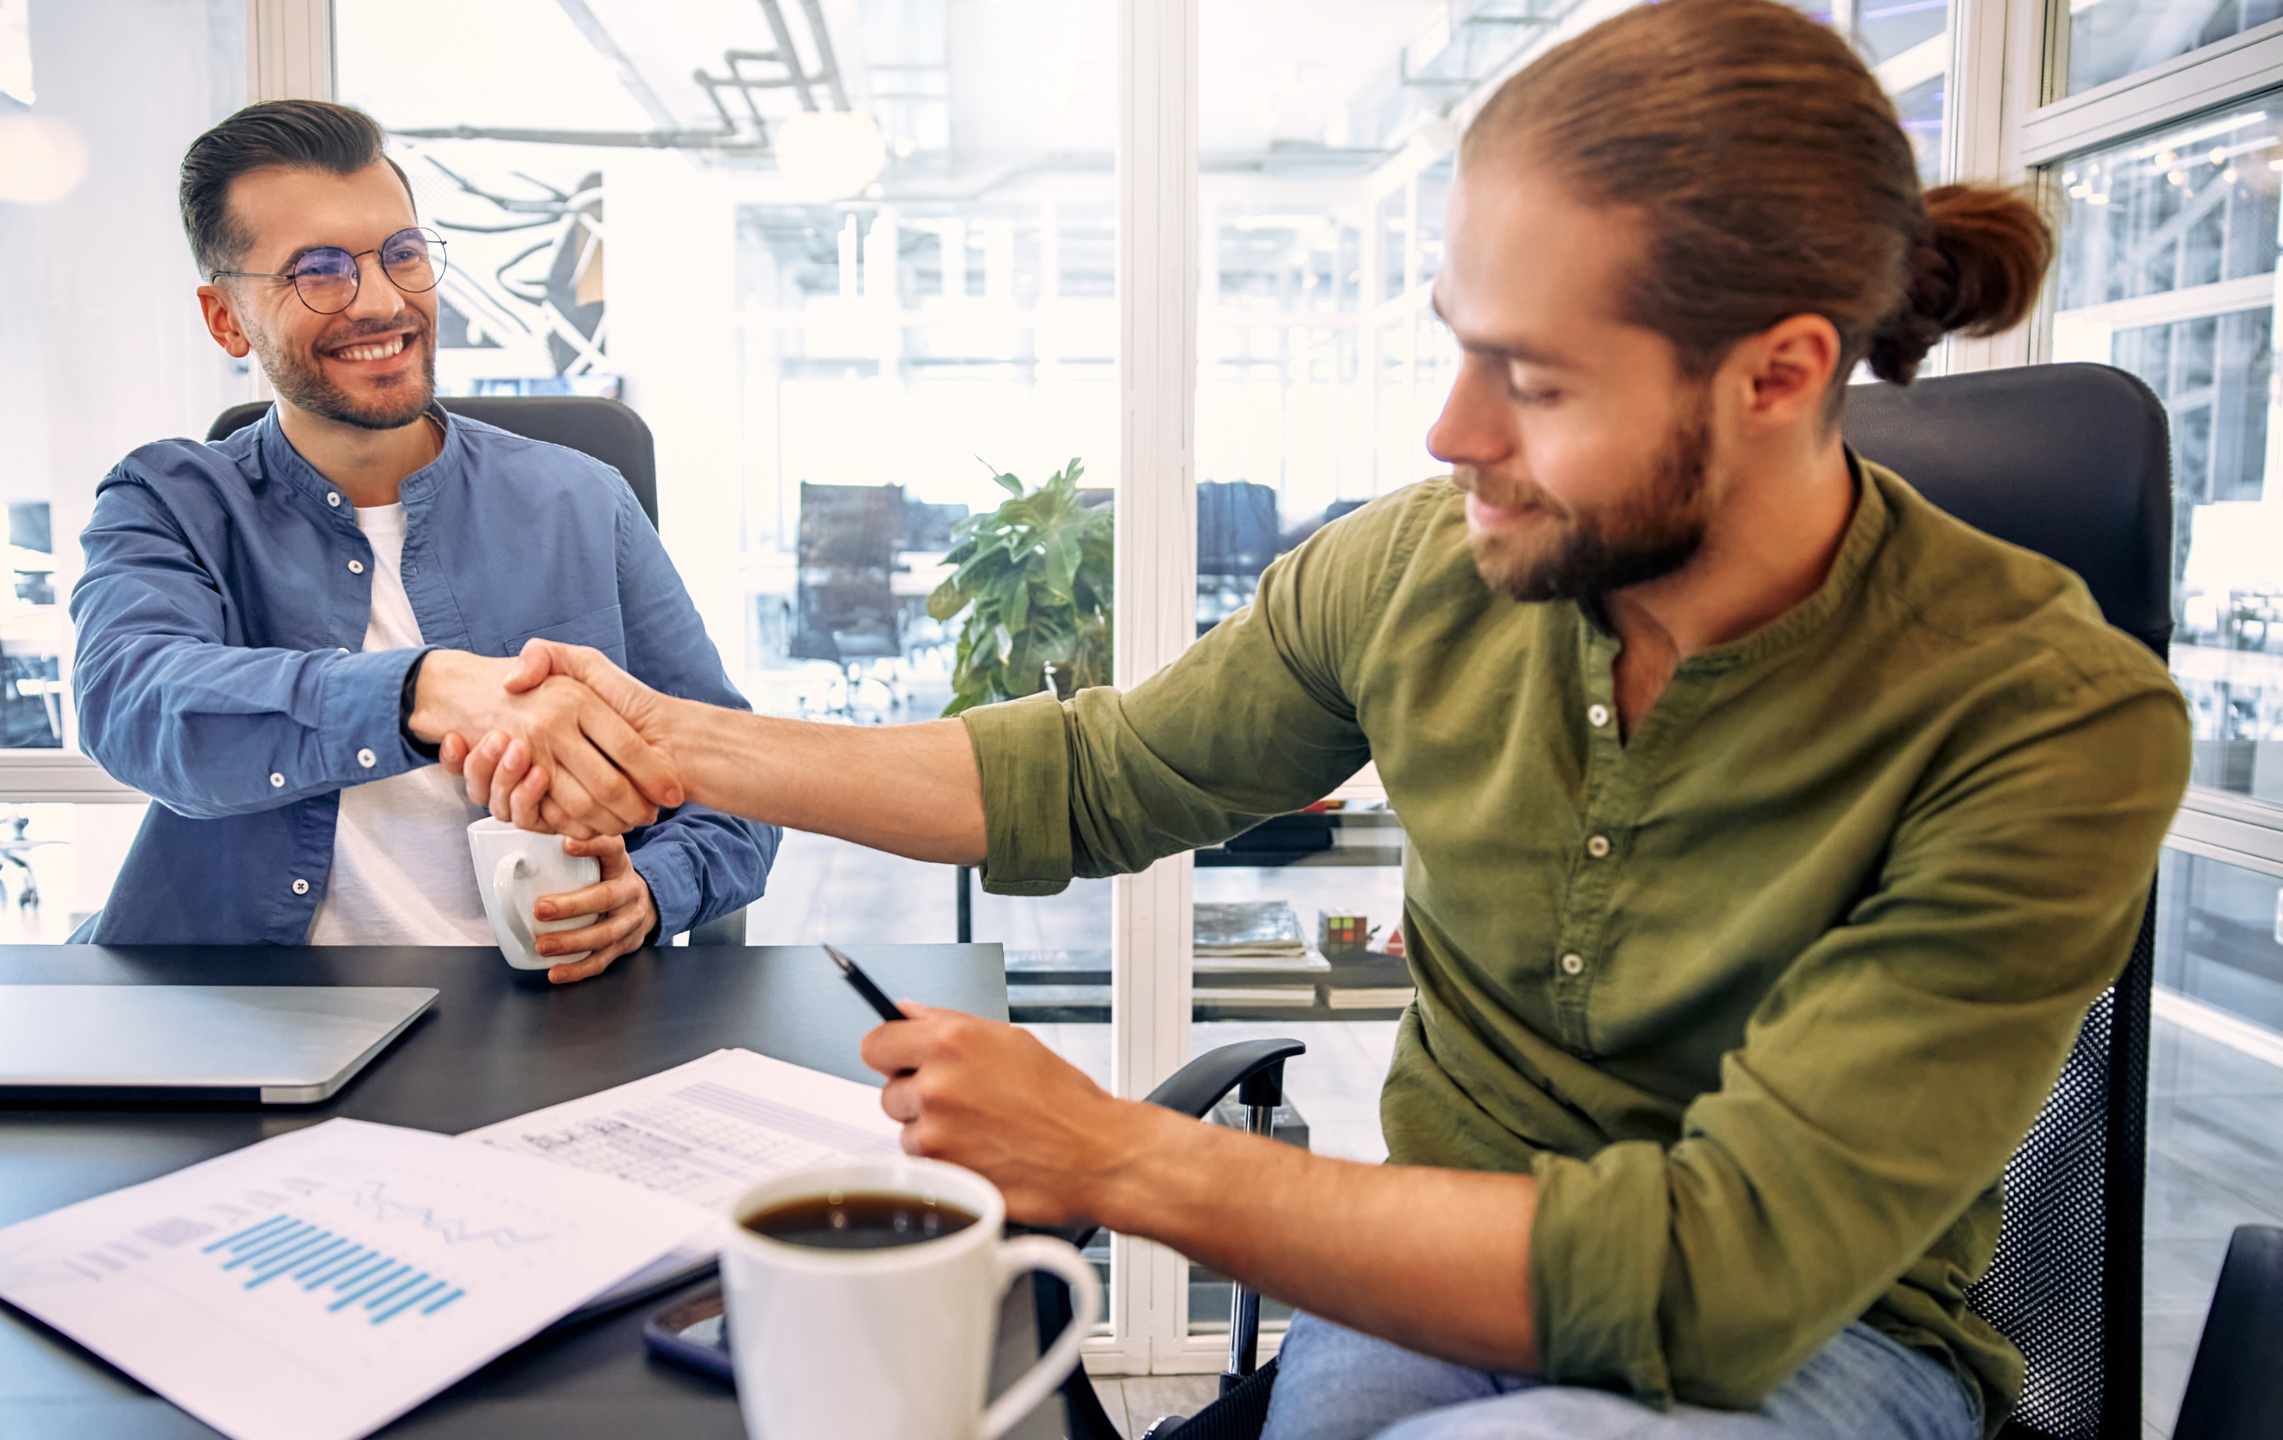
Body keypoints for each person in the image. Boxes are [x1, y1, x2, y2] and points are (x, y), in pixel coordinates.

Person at [439, 2, 2190, 1435]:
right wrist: (684, 742)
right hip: (1422, 1289)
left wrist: (1122, 1157)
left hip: (1817, 1346)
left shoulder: (2045, 720)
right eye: (1458, 344)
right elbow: (1106, 773)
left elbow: (1715, 1281)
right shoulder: (1424, 569)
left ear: (1781, 375)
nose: (1450, 431)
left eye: (1536, 377)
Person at [69, 100, 776, 971]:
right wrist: (424, 691)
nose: (381, 301)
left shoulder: (583, 502)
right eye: (317, 272)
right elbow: (134, 705)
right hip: (242, 1009)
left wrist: (649, 892)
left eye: (401, 255)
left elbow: (737, 795)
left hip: (539, 1015)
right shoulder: (170, 500)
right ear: (226, 320)